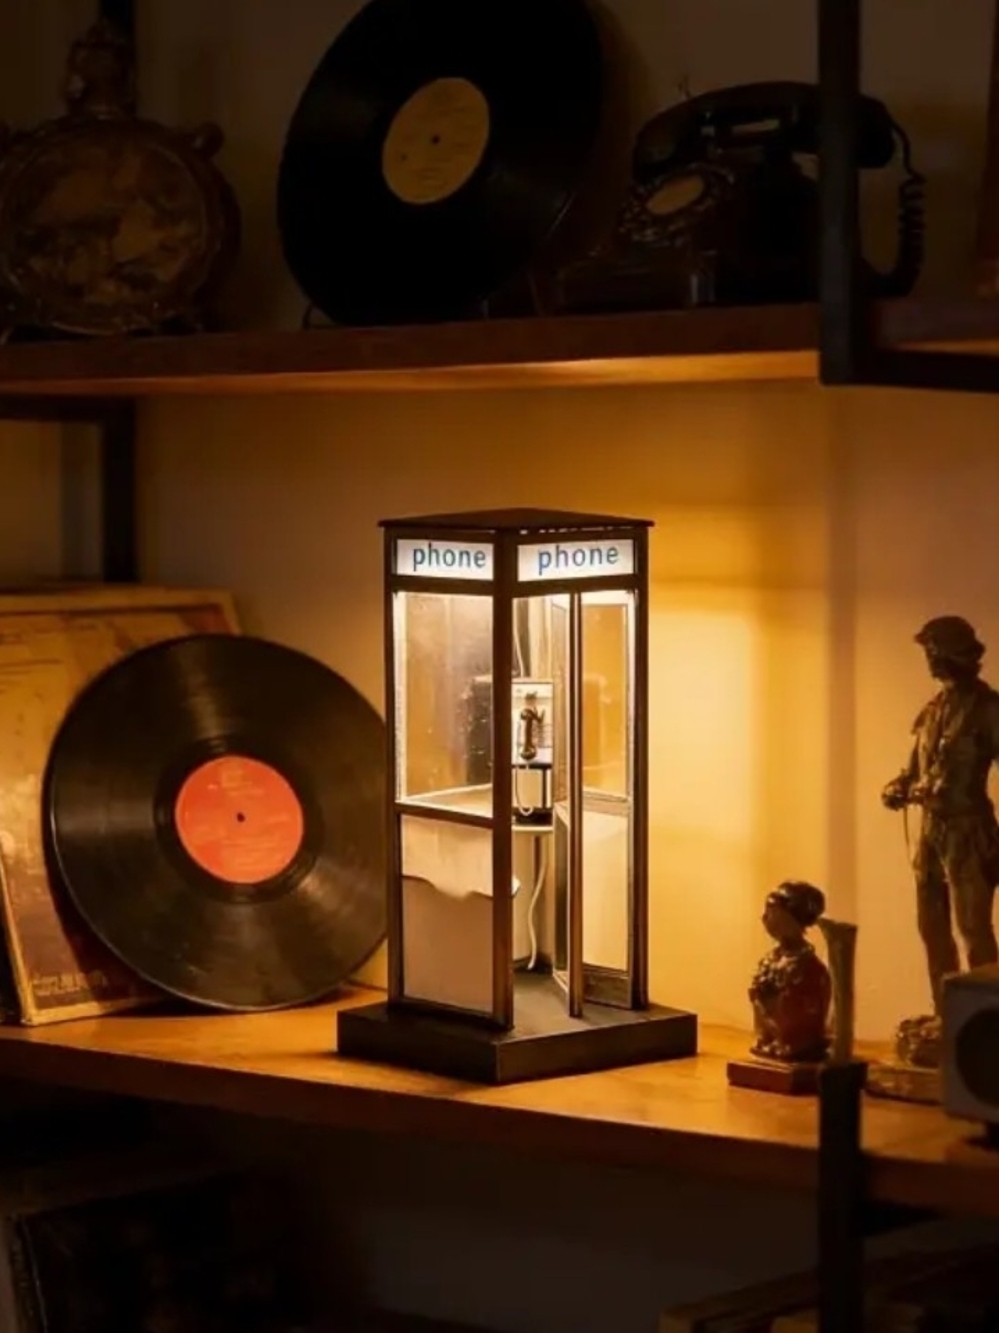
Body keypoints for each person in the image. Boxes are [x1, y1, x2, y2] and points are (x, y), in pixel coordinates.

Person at [882, 616, 999, 1018]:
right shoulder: (932, 711)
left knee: (973, 929)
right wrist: (898, 786)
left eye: (934, 650)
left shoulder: (987, 709)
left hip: (969, 832)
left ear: (956, 654)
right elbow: (915, 768)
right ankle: (945, 1016)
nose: (929, 659)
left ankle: (986, 1024)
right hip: (931, 833)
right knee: (931, 926)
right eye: (926, 651)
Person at [749, 880, 831, 1064]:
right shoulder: (772, 959)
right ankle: (769, 1039)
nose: (764, 918)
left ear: (790, 919)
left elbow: (806, 1007)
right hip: (772, 1033)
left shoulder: (809, 967)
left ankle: (791, 1043)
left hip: (795, 1036)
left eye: (771, 913)